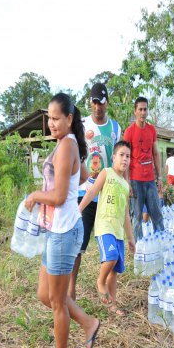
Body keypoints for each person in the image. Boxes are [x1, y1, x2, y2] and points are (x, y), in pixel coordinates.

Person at [25, 93, 101, 348]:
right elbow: (81, 177)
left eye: (56, 118)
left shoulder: (67, 145)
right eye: (49, 118)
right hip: (57, 229)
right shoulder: (67, 145)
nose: (51, 123)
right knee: (45, 295)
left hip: (64, 232)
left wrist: (35, 195)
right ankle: (88, 322)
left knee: (57, 301)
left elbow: (57, 196)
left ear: (69, 119)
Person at [69, 83, 122, 300]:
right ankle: (70, 292)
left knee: (110, 249)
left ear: (107, 103)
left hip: (108, 196)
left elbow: (120, 162)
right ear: (90, 103)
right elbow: (73, 152)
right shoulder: (81, 125)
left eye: (101, 102)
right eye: (94, 102)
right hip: (84, 193)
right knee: (78, 246)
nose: (97, 107)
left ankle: (108, 296)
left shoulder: (116, 128)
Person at [78, 141, 135, 316]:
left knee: (115, 271)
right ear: (113, 157)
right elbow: (92, 191)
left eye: (128, 156)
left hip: (118, 232)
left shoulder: (126, 186)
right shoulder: (106, 173)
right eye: (121, 155)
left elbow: (126, 215)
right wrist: (78, 210)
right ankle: (100, 282)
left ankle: (113, 306)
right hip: (104, 226)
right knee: (111, 257)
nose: (124, 159)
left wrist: (131, 239)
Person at [124, 97, 164, 242]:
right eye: (140, 109)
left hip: (150, 181)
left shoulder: (151, 130)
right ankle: (139, 249)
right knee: (137, 216)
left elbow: (155, 153)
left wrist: (159, 178)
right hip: (135, 180)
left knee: (157, 214)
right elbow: (125, 158)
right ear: (135, 112)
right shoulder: (129, 132)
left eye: (145, 109)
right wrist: (127, 182)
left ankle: (160, 242)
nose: (143, 112)